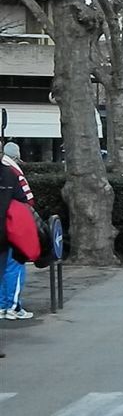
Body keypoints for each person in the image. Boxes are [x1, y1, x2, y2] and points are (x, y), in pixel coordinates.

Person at [0, 143, 35, 357]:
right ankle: (11, 306)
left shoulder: (8, 173)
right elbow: (25, 202)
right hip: (7, 233)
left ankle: (6, 305)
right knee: (14, 266)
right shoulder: (11, 173)